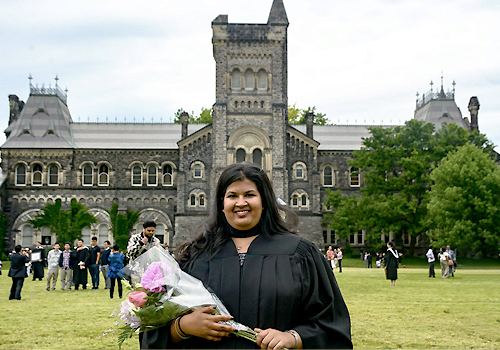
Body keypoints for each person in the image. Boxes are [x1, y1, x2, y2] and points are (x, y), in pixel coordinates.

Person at [141, 162, 352, 349]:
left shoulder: (300, 253)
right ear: (222, 204)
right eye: (232, 196)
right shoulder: (195, 256)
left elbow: (332, 323)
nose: (241, 203)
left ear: (264, 201)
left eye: (249, 195)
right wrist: (182, 327)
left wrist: (294, 338)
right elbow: (153, 328)